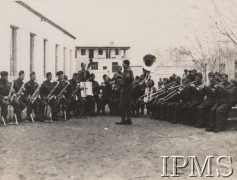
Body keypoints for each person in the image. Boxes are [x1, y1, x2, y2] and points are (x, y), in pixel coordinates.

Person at [116, 60, 134, 125]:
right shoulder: (129, 70)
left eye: (123, 64)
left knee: (122, 104)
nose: (122, 65)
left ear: (126, 64)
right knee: (128, 105)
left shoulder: (128, 71)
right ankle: (129, 119)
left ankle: (123, 120)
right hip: (129, 88)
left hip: (126, 89)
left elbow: (127, 77)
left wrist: (121, 80)